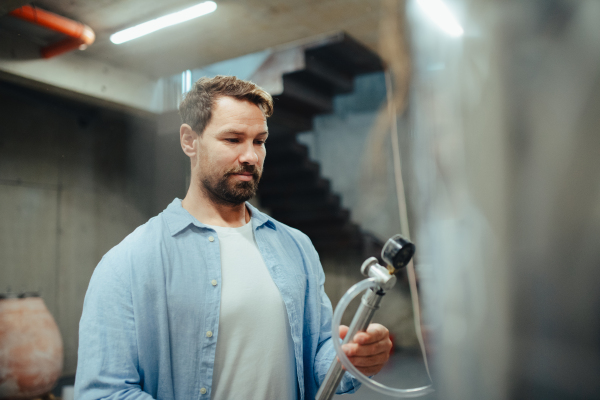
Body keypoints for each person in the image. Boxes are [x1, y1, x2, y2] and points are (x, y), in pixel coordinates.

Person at [75, 76, 393, 400]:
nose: (251, 157)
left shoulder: (296, 246)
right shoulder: (128, 262)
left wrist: (354, 357)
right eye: (233, 139)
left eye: (259, 141)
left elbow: (319, 354)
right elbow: (105, 392)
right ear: (189, 141)